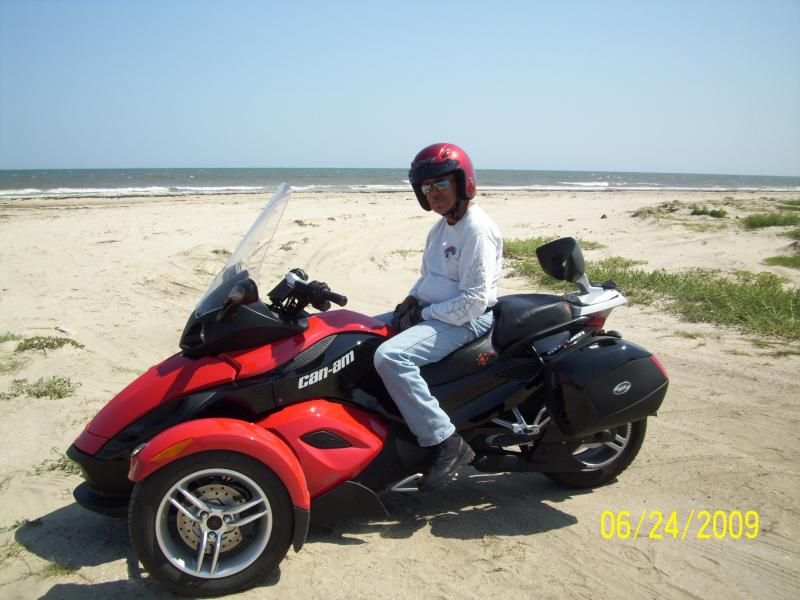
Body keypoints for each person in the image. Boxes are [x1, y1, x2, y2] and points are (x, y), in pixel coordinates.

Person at [373, 142, 503, 491]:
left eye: (441, 184)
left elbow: (474, 300)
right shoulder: (440, 228)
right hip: (434, 313)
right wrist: (408, 302)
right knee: (363, 330)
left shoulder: (475, 229)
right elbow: (428, 278)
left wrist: (422, 315)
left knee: (391, 357)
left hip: (467, 321)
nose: (433, 193)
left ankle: (445, 440)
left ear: (463, 183)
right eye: (426, 187)